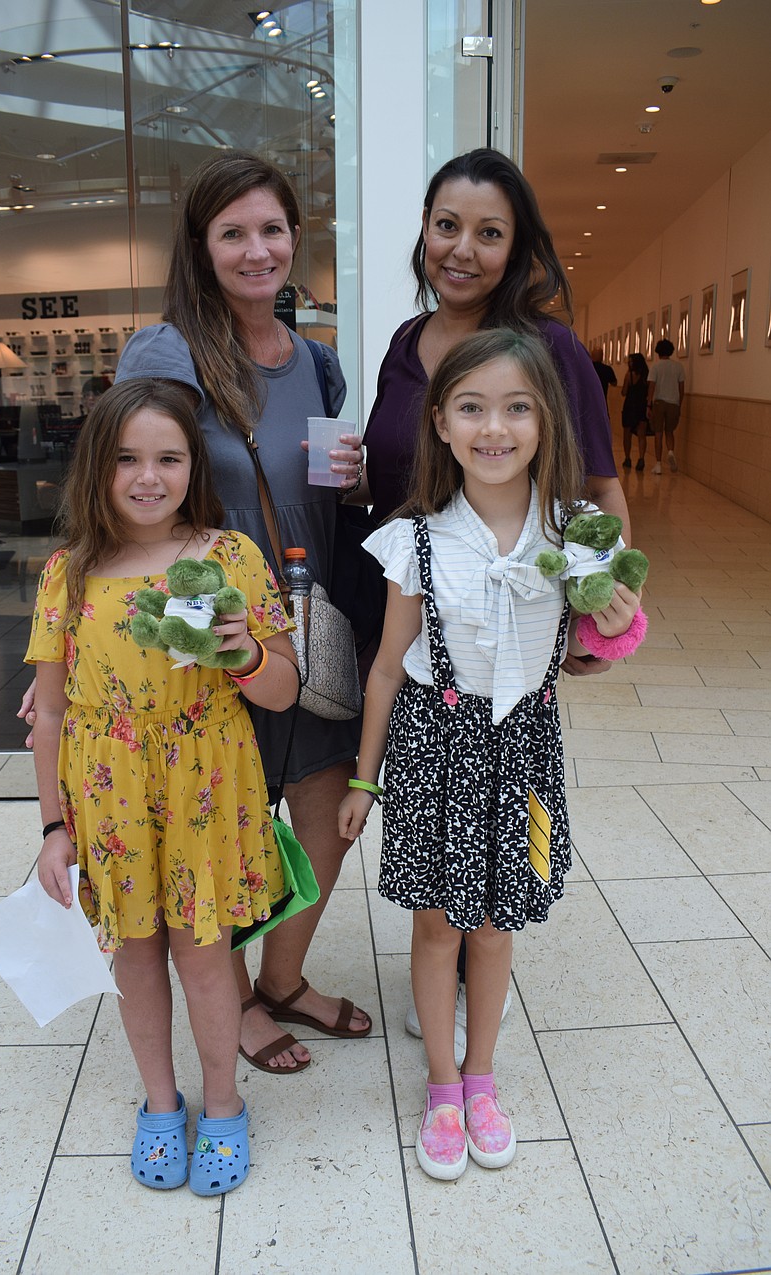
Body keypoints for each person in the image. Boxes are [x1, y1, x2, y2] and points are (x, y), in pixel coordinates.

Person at [85, 150, 369, 1071]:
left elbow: (319, 496)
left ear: (295, 237)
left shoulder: (319, 364)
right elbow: (128, 486)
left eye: (272, 229)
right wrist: (76, 649)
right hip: (205, 630)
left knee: (325, 808)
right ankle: (236, 997)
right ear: (202, 247)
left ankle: (282, 979)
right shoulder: (166, 351)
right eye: (234, 233)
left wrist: (354, 485)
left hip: (302, 620)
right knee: (224, 817)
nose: (258, 250)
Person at [338, 329, 643, 1180]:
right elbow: (388, 668)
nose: (494, 427)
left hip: (527, 752)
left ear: (548, 420)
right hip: (437, 751)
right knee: (437, 924)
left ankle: (481, 1076)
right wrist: (365, 776)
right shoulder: (419, 538)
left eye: (517, 407)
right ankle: (441, 1083)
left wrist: (620, 625)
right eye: (471, 407)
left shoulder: (576, 533)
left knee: (499, 927)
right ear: (440, 423)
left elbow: (608, 637)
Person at [354, 146, 631, 1055]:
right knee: (434, 821)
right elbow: (391, 465)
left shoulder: (545, 347)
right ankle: (440, 976)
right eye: (446, 226)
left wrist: (599, 608)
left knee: (504, 826)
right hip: (411, 589)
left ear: (517, 248)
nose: (462, 248)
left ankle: (475, 999)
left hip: (503, 609)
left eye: (489, 232)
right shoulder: (405, 341)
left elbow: (598, 487)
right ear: (424, 232)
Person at [28, 378, 299, 1195]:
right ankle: (159, 1101)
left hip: (204, 794)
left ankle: (222, 1105)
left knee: (205, 958)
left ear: (193, 465)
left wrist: (245, 652)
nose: (149, 477)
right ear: (97, 470)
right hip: (108, 799)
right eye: (127, 459)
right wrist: (52, 827)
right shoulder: (68, 574)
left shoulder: (230, 558)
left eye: (168, 458)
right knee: (135, 958)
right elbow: (48, 715)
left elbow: (284, 689)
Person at [647, 338, 685, 473]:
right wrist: (679, 405)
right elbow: (681, 389)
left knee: (658, 433)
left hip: (659, 403)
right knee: (669, 431)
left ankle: (658, 464)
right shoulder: (678, 367)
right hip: (673, 403)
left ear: (658, 352)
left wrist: (648, 405)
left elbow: (651, 386)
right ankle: (670, 451)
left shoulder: (656, 367)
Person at [620, 352, 649, 470]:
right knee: (642, 435)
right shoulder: (647, 375)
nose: (629, 363)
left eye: (630, 361)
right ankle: (641, 458)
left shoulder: (629, 375)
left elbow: (624, 392)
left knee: (627, 434)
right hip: (642, 406)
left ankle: (627, 458)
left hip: (630, 406)